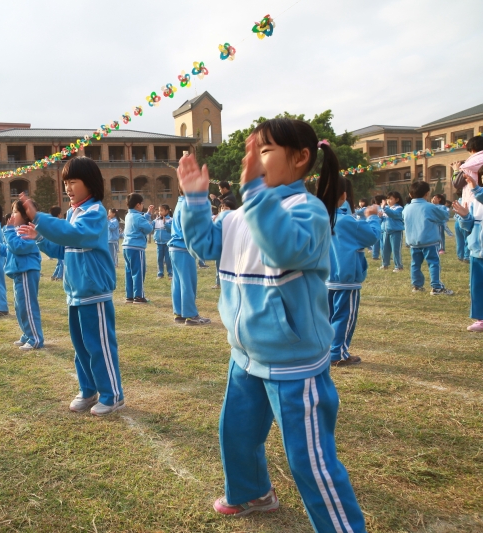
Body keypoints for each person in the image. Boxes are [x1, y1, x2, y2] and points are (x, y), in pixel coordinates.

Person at [178, 119, 365, 530]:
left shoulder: (308, 212)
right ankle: (251, 493)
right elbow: (204, 245)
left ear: (300, 158)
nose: (253, 159)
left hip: (293, 362)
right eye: (253, 151)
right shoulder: (238, 216)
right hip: (245, 354)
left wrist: (255, 195)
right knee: (237, 432)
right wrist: (193, 200)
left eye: (264, 151)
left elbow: (283, 247)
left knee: (309, 460)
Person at [17, 157, 124, 416]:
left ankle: (112, 395)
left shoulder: (95, 212)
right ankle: (88, 390)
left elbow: (74, 235)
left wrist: (39, 218)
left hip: (94, 292)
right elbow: (63, 248)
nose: (68, 188)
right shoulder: (73, 213)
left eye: (73, 182)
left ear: (90, 183)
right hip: (75, 292)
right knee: (81, 347)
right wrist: (39, 237)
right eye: (66, 183)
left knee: (99, 346)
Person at [328, 178, 381, 366]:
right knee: (344, 317)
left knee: (327, 317)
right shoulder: (346, 221)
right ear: (344, 196)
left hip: (323, 278)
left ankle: (325, 352)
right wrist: (372, 217)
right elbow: (372, 236)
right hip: (346, 278)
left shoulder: (317, 219)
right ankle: (338, 354)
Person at [0, 199, 44, 349]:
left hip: (27, 272)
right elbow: (10, 250)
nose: (12, 215)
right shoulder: (18, 230)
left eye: (15, 212)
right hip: (19, 273)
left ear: (26, 215)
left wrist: (8, 231)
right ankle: (27, 334)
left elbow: (18, 247)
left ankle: (35, 338)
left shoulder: (28, 231)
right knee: (20, 307)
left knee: (28, 307)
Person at [403, 181, 453, 295]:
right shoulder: (430, 207)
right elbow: (444, 216)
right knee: (433, 263)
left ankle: (417, 286)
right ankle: (436, 287)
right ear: (427, 194)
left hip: (413, 242)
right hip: (429, 241)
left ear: (410, 194)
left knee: (415, 264)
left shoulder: (406, 208)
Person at [168, 194, 211, 326]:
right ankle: (191, 315)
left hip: (175, 248)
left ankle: (179, 313)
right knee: (188, 283)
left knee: (178, 282)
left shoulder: (180, 202)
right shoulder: (187, 205)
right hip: (183, 248)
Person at [454, 166, 483, 331]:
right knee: (477, 287)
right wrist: (465, 216)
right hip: (477, 251)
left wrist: (476, 189)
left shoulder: (478, 194)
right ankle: (481, 318)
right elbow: (469, 226)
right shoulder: (476, 200)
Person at [122, 193, 154, 303]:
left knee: (129, 271)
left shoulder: (128, 215)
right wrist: (150, 220)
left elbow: (140, 220)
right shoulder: (139, 217)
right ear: (138, 205)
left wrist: (148, 214)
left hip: (126, 247)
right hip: (136, 248)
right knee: (138, 272)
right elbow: (148, 228)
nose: (143, 205)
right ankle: (139, 296)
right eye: (142, 203)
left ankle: (130, 296)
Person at [380, 191, 405, 271]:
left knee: (395, 250)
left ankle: (398, 266)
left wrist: (384, 208)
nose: (388, 201)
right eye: (387, 199)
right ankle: (385, 264)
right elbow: (383, 219)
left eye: (391, 199)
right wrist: (380, 216)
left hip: (395, 231)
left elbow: (393, 214)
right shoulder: (386, 208)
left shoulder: (399, 208)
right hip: (386, 231)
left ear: (397, 199)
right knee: (385, 249)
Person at [153, 204, 173, 279]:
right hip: (159, 243)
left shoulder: (171, 220)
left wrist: (165, 224)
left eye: (161, 210)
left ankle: (170, 273)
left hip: (167, 243)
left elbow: (171, 230)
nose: (159, 212)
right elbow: (150, 227)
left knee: (168, 259)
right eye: (159, 211)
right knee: (159, 259)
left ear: (167, 211)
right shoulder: (156, 220)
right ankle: (160, 274)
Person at [49, 206, 65, 281]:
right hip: (59, 244)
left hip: (54, 244)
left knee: (59, 262)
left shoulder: (51, 222)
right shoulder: (58, 222)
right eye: (61, 213)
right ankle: (59, 277)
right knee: (62, 262)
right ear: (58, 214)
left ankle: (54, 275)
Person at [371, 194, 386, 260]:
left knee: (376, 242)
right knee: (382, 243)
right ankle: (384, 255)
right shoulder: (381, 208)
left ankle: (375, 255)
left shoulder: (373, 208)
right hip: (381, 227)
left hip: (374, 227)